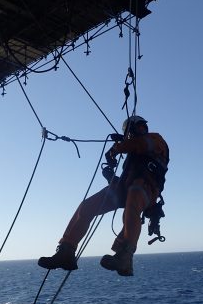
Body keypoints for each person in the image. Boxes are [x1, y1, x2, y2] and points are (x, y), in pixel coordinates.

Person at [38, 115, 169, 276]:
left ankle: (125, 256)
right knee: (87, 206)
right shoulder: (133, 152)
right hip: (127, 187)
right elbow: (128, 176)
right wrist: (111, 177)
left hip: (147, 189)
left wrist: (117, 148)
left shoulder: (156, 140)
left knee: (134, 199)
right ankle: (66, 251)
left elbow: (141, 144)